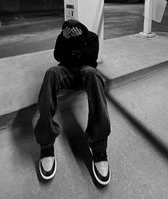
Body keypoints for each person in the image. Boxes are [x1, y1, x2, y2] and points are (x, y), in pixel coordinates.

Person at [34, 19, 111, 185]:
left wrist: (80, 41)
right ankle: (46, 144)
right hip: (66, 71)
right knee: (51, 73)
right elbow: (58, 57)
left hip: (85, 70)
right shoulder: (62, 37)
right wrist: (64, 39)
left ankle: (99, 149)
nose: (70, 33)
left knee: (94, 74)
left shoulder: (91, 37)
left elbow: (92, 58)